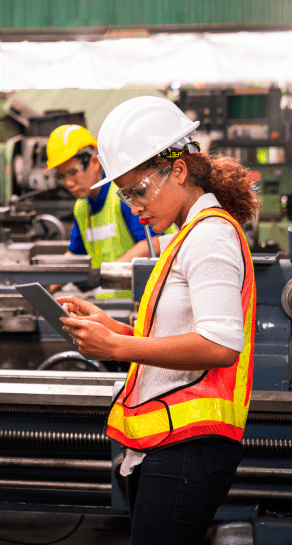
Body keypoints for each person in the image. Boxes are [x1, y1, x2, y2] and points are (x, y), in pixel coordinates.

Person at [58, 96, 258, 544]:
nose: (132, 206)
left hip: (190, 447)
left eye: (138, 191)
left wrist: (118, 349)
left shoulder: (209, 236)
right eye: (126, 194)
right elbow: (177, 338)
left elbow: (221, 345)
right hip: (171, 442)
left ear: (179, 171)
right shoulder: (186, 236)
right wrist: (117, 331)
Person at [46, 124, 171, 297]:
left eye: (73, 172)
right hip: (111, 307)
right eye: (62, 176)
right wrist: (46, 286)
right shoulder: (82, 207)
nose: (68, 183)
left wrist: (104, 273)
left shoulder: (122, 195)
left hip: (142, 302)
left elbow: (154, 243)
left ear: (95, 162)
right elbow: (75, 254)